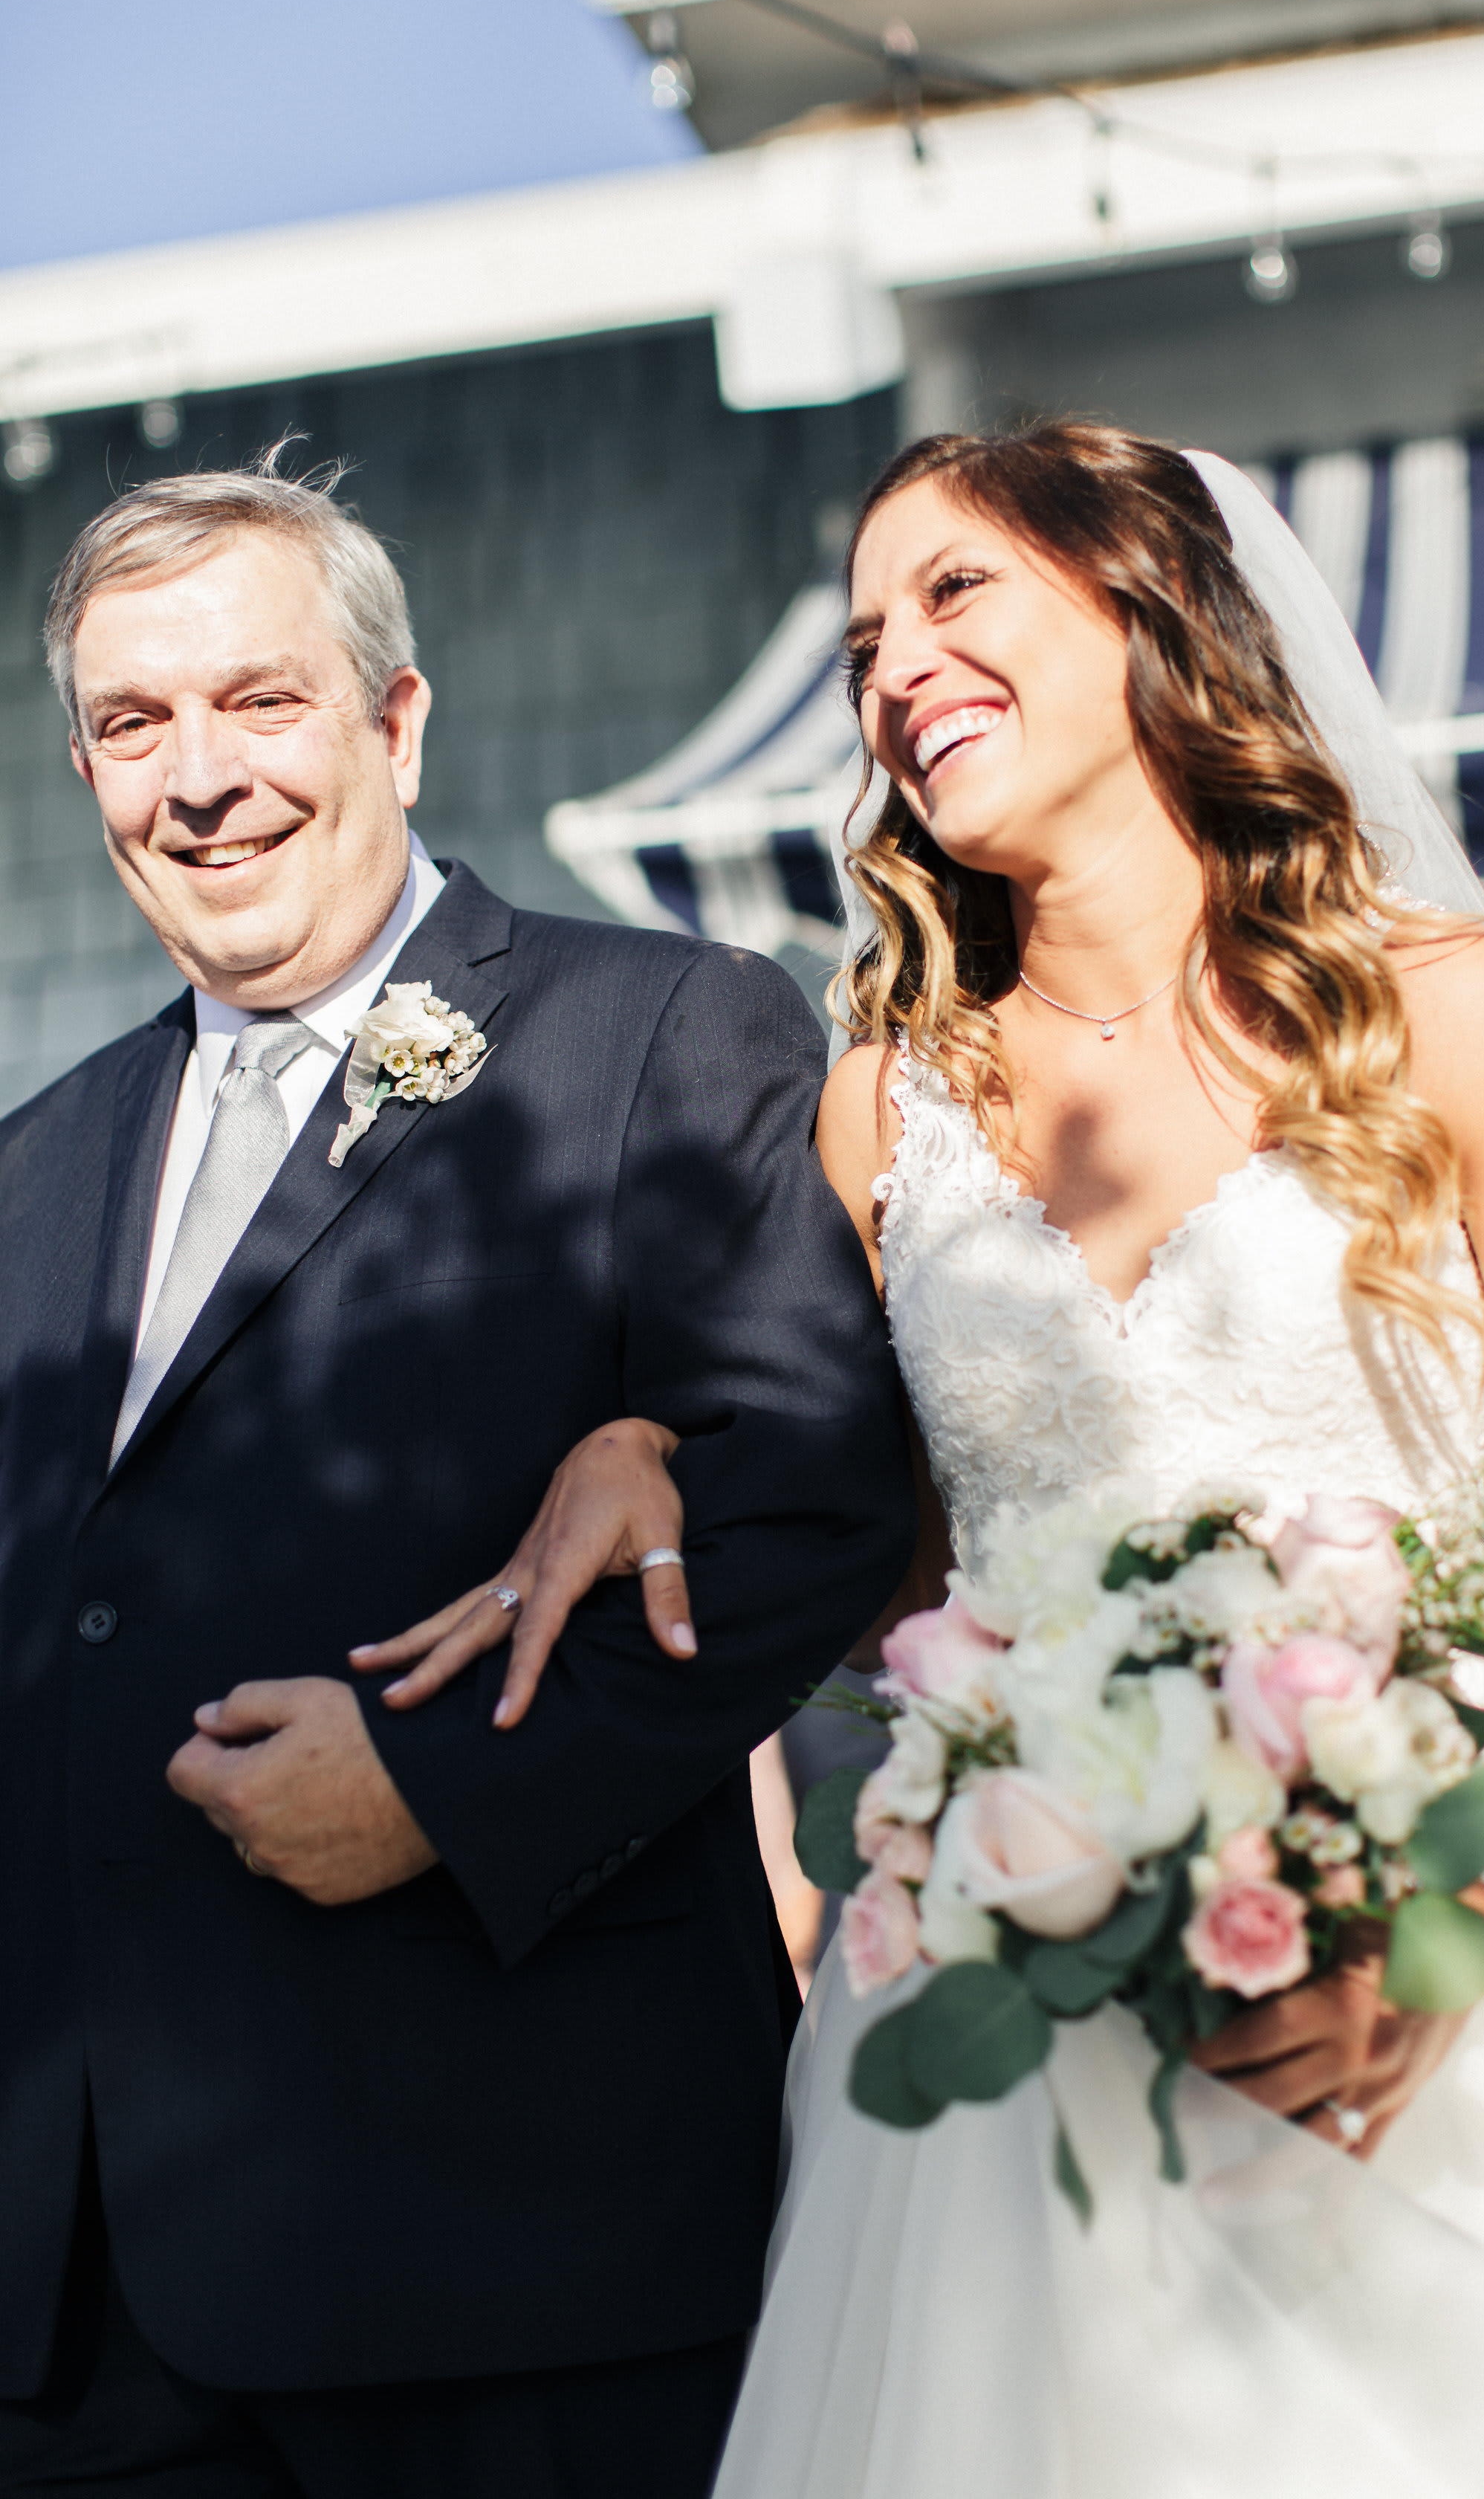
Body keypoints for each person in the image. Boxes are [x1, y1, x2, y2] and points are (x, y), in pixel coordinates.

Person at [373, 422, 1484, 2498]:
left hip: (1432, 1908)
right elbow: (869, 1556)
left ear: (1151, 608)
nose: (896, 669)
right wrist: (648, 1442)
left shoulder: (1461, 1014)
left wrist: (1458, 1918)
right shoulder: (882, 1111)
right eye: (865, 641)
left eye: (957, 592)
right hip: (1015, 1989)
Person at [0, 453, 913, 2498]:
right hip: (86, 2328)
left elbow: (809, 1501)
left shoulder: (660, 1031)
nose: (200, 779)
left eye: (261, 701)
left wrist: (441, 1786)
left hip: (511, 2254)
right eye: (135, 725)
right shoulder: (30, 1166)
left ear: (397, 723)